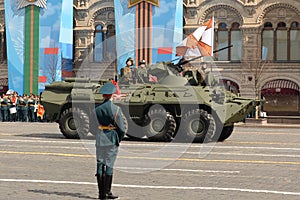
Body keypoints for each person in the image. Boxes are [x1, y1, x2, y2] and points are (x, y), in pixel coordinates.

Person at [93, 82, 126, 199]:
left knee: (100, 164)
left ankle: (101, 193)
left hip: (100, 138)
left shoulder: (96, 109)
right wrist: (118, 138)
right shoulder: (116, 109)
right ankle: (107, 192)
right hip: (111, 138)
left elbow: (93, 126)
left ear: (103, 95)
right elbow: (121, 128)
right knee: (109, 165)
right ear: (112, 95)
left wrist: (98, 134)